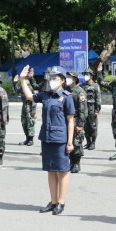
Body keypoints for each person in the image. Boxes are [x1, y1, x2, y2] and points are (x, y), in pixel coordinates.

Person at [20, 65, 75, 215]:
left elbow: (70, 121)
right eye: (50, 78)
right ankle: (53, 201)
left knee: (62, 171)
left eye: (55, 78)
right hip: (47, 138)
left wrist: (70, 142)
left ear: (62, 80)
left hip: (60, 139)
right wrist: (23, 80)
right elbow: (29, 97)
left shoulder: (67, 97)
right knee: (51, 171)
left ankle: (61, 202)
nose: (52, 81)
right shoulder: (45, 95)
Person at [66, 71, 88, 173]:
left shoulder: (80, 91)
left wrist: (80, 124)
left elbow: (83, 109)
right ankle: (71, 162)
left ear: (74, 79)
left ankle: (76, 163)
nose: (67, 79)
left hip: (76, 120)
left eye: (69, 77)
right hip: (66, 120)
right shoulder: (65, 91)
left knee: (77, 142)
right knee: (68, 141)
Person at [13, 68, 38, 146]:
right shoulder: (24, 84)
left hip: (30, 105)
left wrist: (33, 110)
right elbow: (17, 91)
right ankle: (27, 138)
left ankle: (31, 140)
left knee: (30, 122)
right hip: (24, 105)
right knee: (24, 122)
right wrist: (15, 83)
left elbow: (35, 97)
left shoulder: (30, 84)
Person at [80, 68, 101, 150]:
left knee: (93, 127)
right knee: (86, 127)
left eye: (87, 74)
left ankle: (93, 143)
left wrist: (97, 110)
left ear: (91, 76)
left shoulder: (95, 86)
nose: (85, 76)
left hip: (92, 110)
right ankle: (88, 142)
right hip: (84, 110)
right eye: (84, 74)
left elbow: (98, 99)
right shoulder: (82, 86)